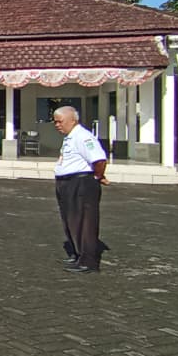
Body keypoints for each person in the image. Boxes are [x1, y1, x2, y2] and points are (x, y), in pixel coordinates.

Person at [52, 105, 109, 274]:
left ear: (72, 120)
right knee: (71, 221)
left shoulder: (83, 137)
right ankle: (78, 254)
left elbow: (99, 160)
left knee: (84, 222)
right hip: (67, 183)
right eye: (55, 122)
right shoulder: (70, 137)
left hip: (81, 183)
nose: (57, 125)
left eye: (60, 121)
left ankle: (88, 261)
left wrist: (98, 176)